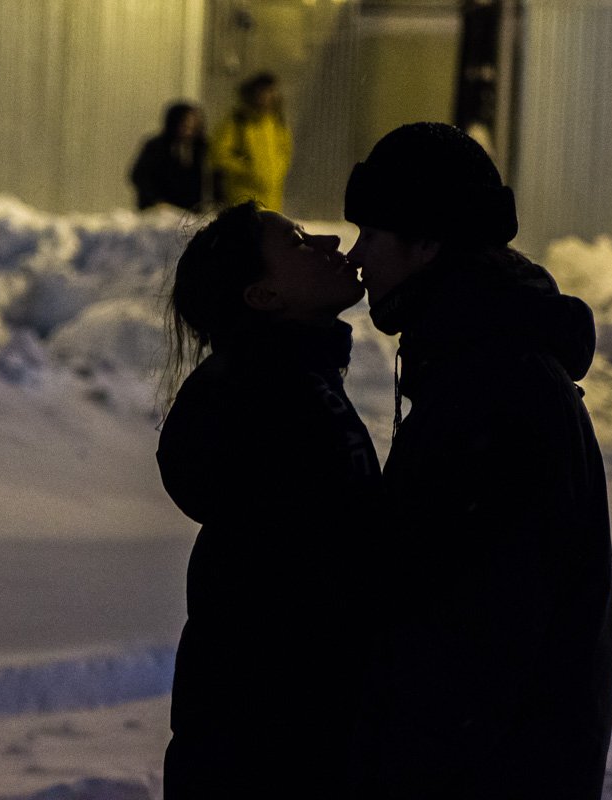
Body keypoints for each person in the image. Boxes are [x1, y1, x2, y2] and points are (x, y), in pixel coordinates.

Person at [343, 122, 612, 799]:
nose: (355, 257)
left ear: (428, 243)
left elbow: (476, 647)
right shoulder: (479, 363)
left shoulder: (495, 392)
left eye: (372, 235)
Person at [156, 202, 380, 797]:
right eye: (300, 243)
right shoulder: (269, 407)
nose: (332, 242)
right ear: (262, 297)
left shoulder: (294, 387)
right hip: (271, 754)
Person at [211, 72, 293, 212]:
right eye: (264, 92)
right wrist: (247, 170)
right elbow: (218, 154)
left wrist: (277, 171)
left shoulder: (277, 122)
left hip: (272, 197)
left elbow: (285, 151)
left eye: (271, 92)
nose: (268, 97)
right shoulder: (238, 121)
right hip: (242, 194)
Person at [130, 102, 208, 211]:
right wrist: (157, 200)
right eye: (185, 126)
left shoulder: (201, 147)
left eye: (193, 127)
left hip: (189, 211)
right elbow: (139, 175)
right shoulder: (156, 146)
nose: (189, 131)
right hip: (158, 210)